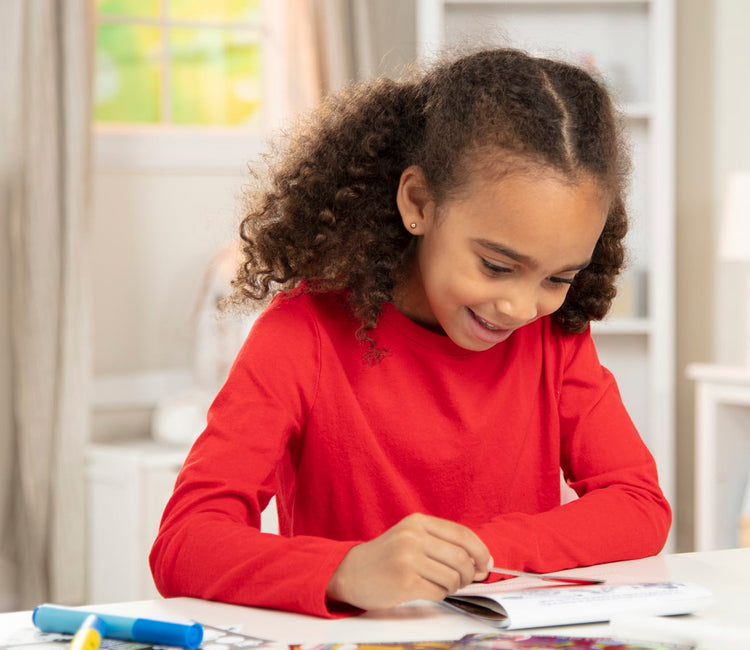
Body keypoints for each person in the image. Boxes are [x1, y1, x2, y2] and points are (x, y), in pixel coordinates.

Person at [149, 47, 671, 618]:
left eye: (558, 277)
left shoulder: (556, 339)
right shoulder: (302, 334)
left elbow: (639, 505)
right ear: (419, 202)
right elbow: (185, 542)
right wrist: (345, 572)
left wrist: (483, 551)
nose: (521, 306)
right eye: (497, 266)